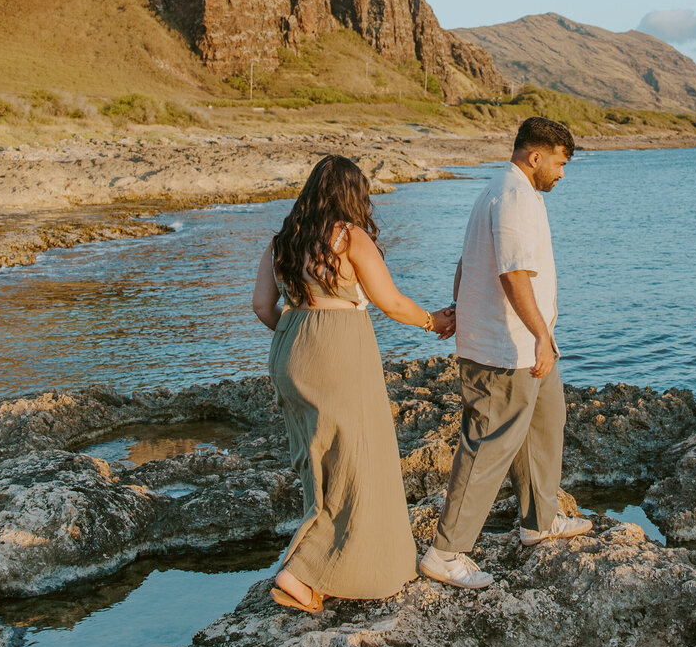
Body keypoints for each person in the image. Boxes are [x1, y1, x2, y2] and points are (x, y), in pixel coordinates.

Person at [252, 154, 455, 613]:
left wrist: (298, 336)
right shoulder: (348, 237)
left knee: (317, 460)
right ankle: (304, 571)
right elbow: (392, 302)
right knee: (355, 458)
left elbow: (263, 307)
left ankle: (327, 568)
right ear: (351, 195)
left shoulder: (281, 240)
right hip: (338, 350)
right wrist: (432, 320)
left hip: (289, 348)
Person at [419, 116, 591, 590]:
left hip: (522, 343)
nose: (562, 173)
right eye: (559, 163)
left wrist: (457, 305)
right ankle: (445, 553)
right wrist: (540, 335)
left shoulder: (507, 191)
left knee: (545, 423)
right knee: (488, 446)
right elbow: (513, 274)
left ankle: (540, 521)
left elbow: (466, 262)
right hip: (505, 348)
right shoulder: (514, 196)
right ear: (534, 156)